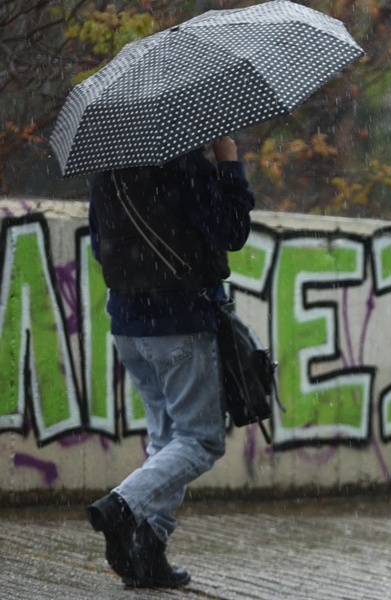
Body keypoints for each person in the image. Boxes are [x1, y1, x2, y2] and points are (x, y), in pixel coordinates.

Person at [85, 136, 255, 588]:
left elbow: (100, 246)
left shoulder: (107, 171)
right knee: (201, 441)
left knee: (166, 441)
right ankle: (122, 506)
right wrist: (229, 163)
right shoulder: (184, 164)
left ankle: (149, 552)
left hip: (128, 324)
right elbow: (232, 231)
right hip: (181, 321)